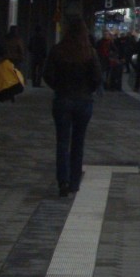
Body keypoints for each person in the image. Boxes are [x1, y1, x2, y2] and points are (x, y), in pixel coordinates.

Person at [42, 17, 103, 197]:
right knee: (78, 143)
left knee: (62, 142)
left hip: (62, 100)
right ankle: (74, 183)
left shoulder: (57, 51)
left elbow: (47, 75)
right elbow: (98, 78)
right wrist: (88, 90)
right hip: (84, 102)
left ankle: (63, 181)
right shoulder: (90, 53)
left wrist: (59, 88)